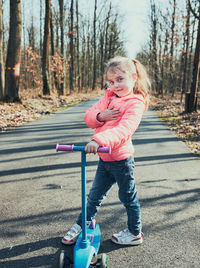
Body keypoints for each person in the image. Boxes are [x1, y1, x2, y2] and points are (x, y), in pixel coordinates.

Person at [62, 56, 151, 246]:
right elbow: (88, 116)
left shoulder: (135, 103)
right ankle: (83, 223)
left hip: (121, 160)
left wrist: (98, 139)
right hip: (105, 159)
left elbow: (125, 129)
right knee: (94, 196)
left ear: (133, 77)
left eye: (120, 80)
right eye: (111, 82)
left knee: (128, 197)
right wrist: (100, 116)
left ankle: (135, 232)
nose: (115, 85)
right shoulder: (108, 98)